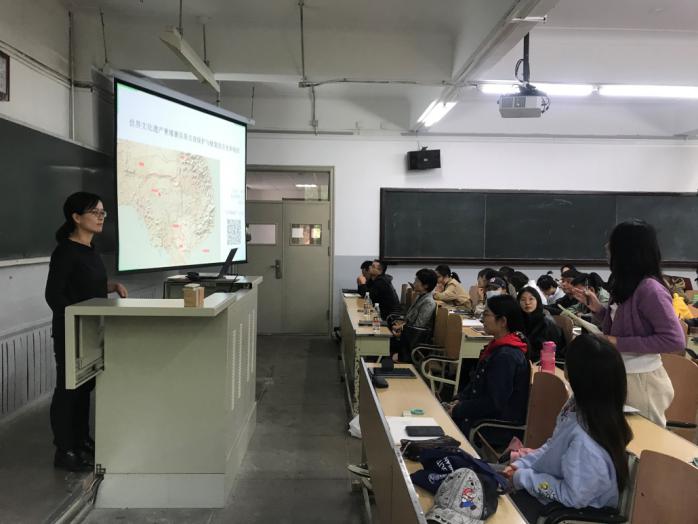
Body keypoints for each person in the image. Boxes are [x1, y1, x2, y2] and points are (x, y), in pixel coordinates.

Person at [505, 335, 633, 517]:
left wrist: (523, 478)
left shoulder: (585, 443)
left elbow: (572, 497)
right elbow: (552, 445)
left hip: (564, 513)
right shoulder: (577, 405)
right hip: (548, 493)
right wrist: (521, 465)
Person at [572, 220, 685, 426]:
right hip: (621, 373)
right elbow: (628, 326)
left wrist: (616, 342)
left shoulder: (651, 289)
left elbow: (674, 340)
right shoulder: (625, 283)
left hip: (642, 381)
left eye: (612, 242)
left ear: (627, 250)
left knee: (643, 442)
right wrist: (599, 309)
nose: (607, 247)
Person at [45, 192, 128, 472]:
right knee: (69, 390)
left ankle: (81, 440)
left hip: (91, 328)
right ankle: (65, 450)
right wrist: (75, 317)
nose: (101, 217)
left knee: (84, 389)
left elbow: (85, 286)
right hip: (71, 330)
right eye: (95, 212)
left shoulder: (90, 249)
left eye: (103, 212)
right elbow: (54, 295)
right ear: (76, 217)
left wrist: (111, 286)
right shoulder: (65, 252)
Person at [446, 295, 530, 446]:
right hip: (481, 417)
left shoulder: (506, 356)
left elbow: (494, 403)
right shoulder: (497, 347)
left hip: (491, 427)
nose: (482, 319)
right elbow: (476, 384)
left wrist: (459, 409)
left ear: (502, 321)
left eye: (486, 314)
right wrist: (459, 400)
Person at [391, 269, 438, 361]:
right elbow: (409, 318)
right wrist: (400, 326)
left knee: (386, 346)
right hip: (408, 336)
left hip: (414, 344)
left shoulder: (429, 302)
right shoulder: (419, 296)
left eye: (417, 281)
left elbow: (418, 327)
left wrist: (401, 333)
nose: (414, 283)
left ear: (426, 285)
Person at [518, 287, 564, 362]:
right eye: (523, 300)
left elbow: (555, 351)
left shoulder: (547, 323)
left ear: (538, 301)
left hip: (543, 362)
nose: (527, 302)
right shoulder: (518, 321)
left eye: (531, 299)